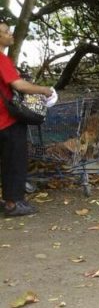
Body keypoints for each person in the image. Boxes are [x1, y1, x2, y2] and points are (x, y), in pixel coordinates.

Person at [0, 20, 56, 216]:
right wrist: (44, 90)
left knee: (6, 162)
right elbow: (19, 85)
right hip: (7, 119)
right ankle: (13, 203)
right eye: (6, 32)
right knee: (14, 162)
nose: (10, 34)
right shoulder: (1, 59)